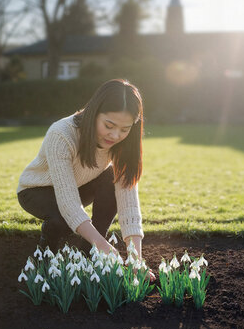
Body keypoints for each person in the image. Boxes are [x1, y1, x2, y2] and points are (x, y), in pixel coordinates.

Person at [17, 78, 156, 281]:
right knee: (61, 219)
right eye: (109, 125)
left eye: (125, 129)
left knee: (111, 177)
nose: (115, 135)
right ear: (94, 112)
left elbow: (129, 202)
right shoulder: (62, 134)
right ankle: (46, 251)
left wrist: (136, 259)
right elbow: (68, 201)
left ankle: (87, 252)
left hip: (79, 186)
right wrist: (102, 244)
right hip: (37, 190)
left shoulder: (123, 145)